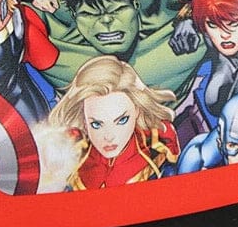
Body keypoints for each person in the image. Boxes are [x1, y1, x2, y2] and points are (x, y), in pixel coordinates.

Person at [47, 56, 180, 191]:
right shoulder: (74, 158)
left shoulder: (158, 147)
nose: (109, 137)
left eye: (122, 120)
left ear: (137, 111)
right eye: (96, 124)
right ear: (84, 120)